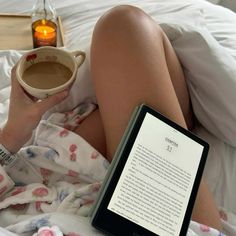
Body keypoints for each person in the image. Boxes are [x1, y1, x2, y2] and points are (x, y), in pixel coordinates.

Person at [0, 5, 222, 231]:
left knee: (123, 26)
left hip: (46, 186)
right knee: (126, 27)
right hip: (151, 225)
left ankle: (178, 122)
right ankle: (178, 122)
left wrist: (11, 136)